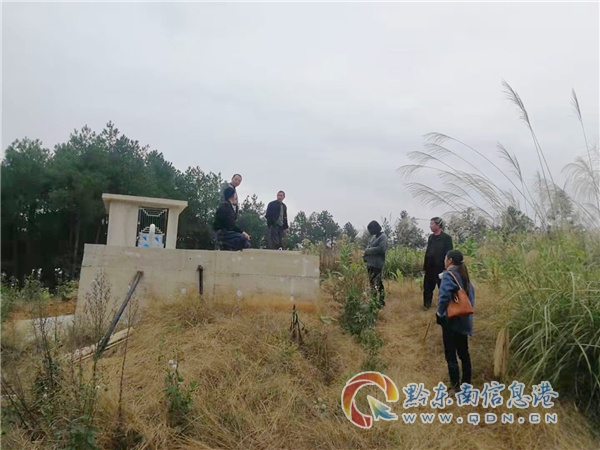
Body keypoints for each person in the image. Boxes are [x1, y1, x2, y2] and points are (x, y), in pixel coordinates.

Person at [435, 249, 475, 393]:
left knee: (451, 354)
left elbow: (444, 296)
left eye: (445, 258)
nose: (444, 261)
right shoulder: (464, 275)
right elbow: (471, 298)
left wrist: (439, 312)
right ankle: (466, 384)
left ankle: (455, 386)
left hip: (451, 320)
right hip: (464, 319)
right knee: (464, 353)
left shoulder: (448, 275)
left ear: (450, 260)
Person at [423, 217, 453, 309]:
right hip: (430, 267)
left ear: (438, 225)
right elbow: (428, 252)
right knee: (427, 287)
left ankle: (445, 306)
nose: (430, 226)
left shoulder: (446, 238)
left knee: (443, 288)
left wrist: (447, 267)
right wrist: (425, 266)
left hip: (441, 268)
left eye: (432, 224)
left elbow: (449, 254)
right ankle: (426, 305)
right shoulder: (431, 237)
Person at [362, 220, 388, 308]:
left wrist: (368, 251)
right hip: (370, 264)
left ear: (375, 228)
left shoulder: (383, 237)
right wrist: (365, 256)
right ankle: (373, 301)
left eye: (370, 230)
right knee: (372, 284)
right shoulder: (374, 237)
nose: (369, 232)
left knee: (378, 283)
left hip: (377, 264)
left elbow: (382, 249)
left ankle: (381, 302)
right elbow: (368, 247)